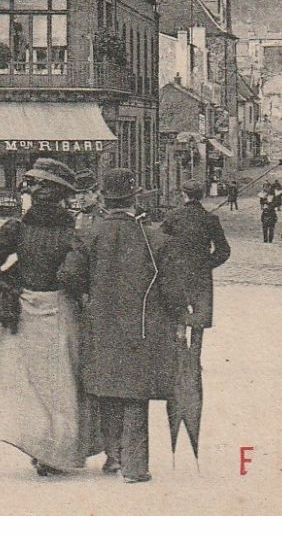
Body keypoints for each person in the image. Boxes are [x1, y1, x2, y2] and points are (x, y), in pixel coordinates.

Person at [0, 158, 94, 476]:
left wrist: (8, 282)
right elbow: (78, 276)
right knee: (63, 384)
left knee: (24, 384)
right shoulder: (74, 232)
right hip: (63, 312)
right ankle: (56, 452)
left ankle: (37, 446)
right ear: (64, 196)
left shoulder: (17, 227)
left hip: (25, 312)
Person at [58, 169, 181, 484]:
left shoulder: (88, 234)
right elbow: (171, 287)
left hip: (99, 323)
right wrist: (178, 318)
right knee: (135, 394)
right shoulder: (153, 237)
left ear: (102, 198)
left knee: (107, 389)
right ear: (134, 198)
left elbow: (70, 276)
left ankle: (114, 457)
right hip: (142, 325)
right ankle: (135, 466)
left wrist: (87, 297)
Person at [160, 181, 231, 360]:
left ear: (184, 195)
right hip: (201, 276)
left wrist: (169, 263)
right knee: (199, 318)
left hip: (176, 273)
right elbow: (223, 250)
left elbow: (159, 245)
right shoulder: (210, 219)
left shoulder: (172, 217)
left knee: (177, 312)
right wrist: (207, 263)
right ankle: (194, 359)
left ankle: (179, 355)